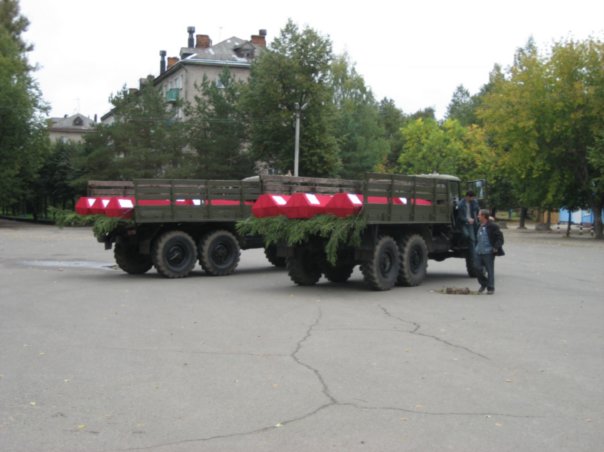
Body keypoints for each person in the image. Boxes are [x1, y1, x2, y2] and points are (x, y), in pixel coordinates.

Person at [474, 209, 505, 294]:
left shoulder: (493, 226)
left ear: (483, 216)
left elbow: (500, 239)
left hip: (488, 252)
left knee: (490, 270)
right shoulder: (479, 225)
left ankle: (490, 288)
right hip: (478, 251)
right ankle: (484, 283)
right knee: (477, 268)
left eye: (479, 215)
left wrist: (496, 247)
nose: (478, 216)